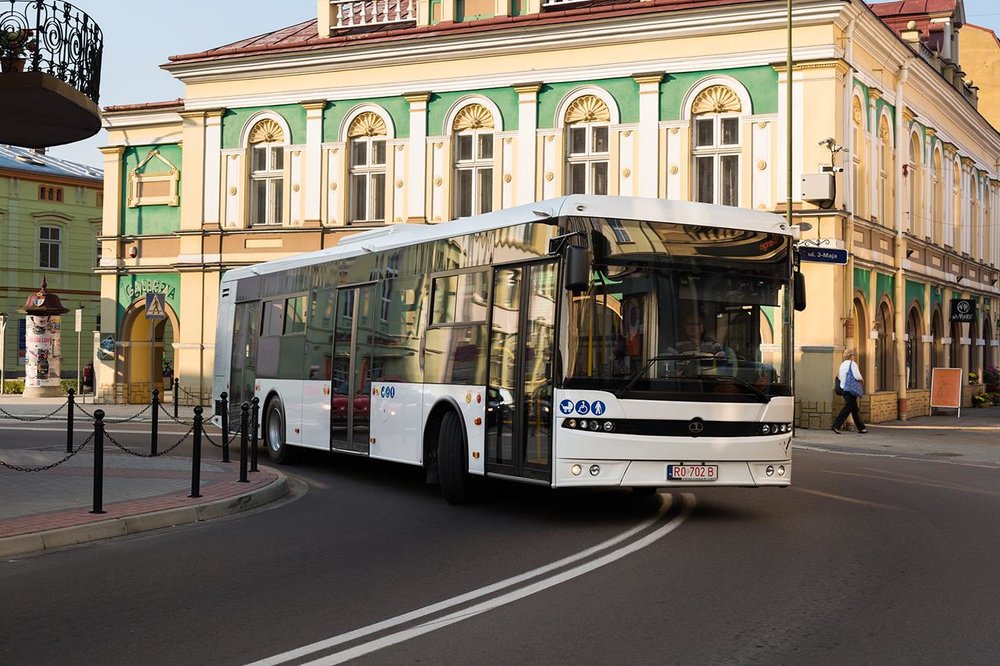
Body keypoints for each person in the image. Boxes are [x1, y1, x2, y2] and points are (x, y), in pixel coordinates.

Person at [832, 349, 868, 434]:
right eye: (853, 355)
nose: (854, 356)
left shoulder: (842, 364)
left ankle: (861, 427)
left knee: (854, 409)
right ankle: (836, 425)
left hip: (844, 388)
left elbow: (840, 377)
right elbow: (857, 376)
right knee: (848, 408)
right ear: (851, 356)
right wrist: (862, 379)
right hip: (851, 390)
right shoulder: (852, 364)